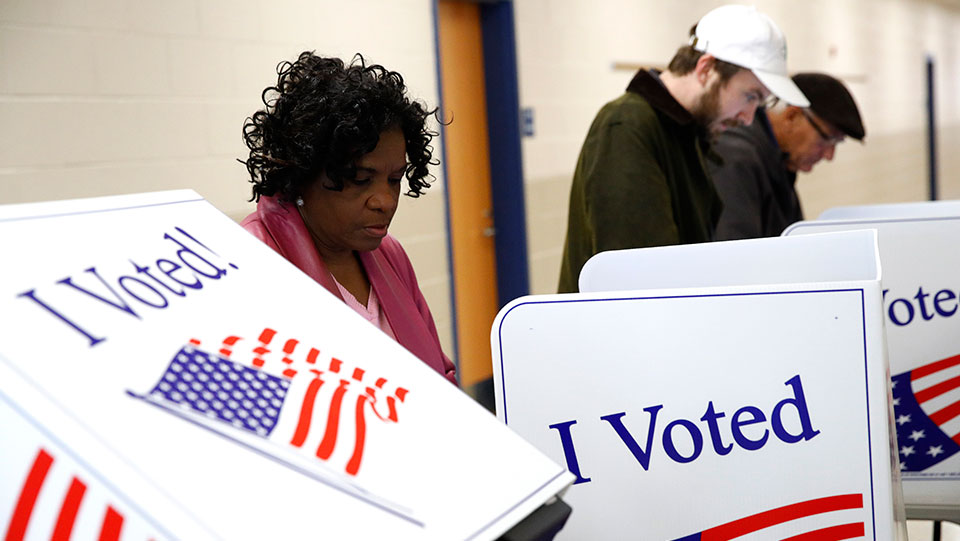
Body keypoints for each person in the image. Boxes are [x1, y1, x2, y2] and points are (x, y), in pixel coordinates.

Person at [557, 5, 809, 293]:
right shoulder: (627, 127)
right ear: (705, 69)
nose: (748, 118)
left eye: (760, 103)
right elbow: (636, 280)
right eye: (749, 96)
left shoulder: (689, 134)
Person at [239, 52, 457, 385]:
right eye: (360, 179)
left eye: (395, 179)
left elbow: (440, 374)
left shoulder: (390, 254)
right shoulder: (251, 261)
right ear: (303, 171)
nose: (385, 201)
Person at [710, 73, 866, 239]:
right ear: (791, 117)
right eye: (827, 139)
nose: (829, 155)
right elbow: (735, 254)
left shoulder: (778, 160)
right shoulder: (737, 161)